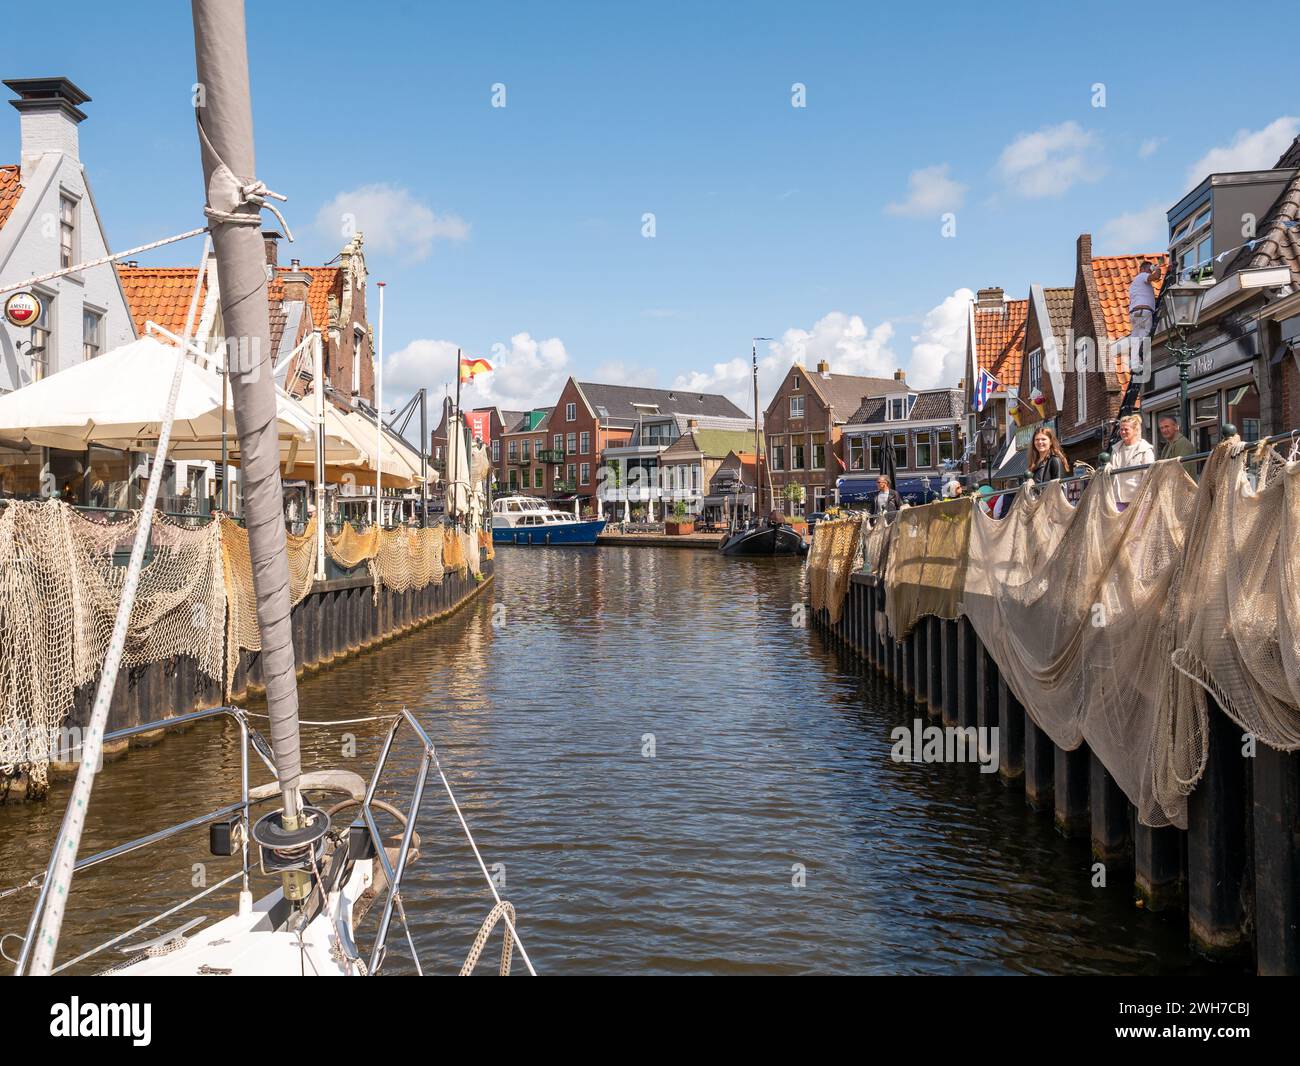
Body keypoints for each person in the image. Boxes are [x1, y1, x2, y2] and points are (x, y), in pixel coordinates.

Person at [1109, 414, 1155, 509]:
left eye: (1126, 429)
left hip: (1138, 500)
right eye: (1121, 429)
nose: (1123, 432)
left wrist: (1145, 498)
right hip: (1118, 499)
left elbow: (1149, 476)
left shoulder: (1145, 450)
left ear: (1135, 431)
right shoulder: (1116, 449)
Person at [1129, 259, 1163, 343]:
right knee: (1145, 338)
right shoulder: (1142, 275)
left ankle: (1136, 355)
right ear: (1142, 269)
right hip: (1143, 312)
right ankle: (1144, 355)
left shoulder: (1136, 282)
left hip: (1136, 312)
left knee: (1136, 338)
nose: (1150, 272)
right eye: (1149, 269)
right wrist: (1158, 268)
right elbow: (1156, 277)